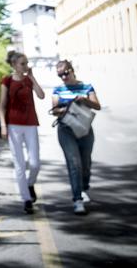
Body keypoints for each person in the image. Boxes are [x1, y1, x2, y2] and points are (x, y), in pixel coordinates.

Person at [51, 60, 101, 215]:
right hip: (66, 130)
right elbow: (54, 110)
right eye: (60, 75)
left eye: (66, 73)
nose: (64, 77)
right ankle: (77, 199)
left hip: (85, 129)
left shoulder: (86, 87)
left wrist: (84, 99)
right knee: (74, 163)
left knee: (85, 164)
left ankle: (84, 187)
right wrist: (68, 108)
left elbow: (97, 105)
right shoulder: (58, 89)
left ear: (72, 70)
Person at [0, 51, 45, 214]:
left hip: (31, 124)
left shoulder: (28, 80)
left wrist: (32, 78)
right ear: (14, 65)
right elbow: (2, 105)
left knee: (35, 163)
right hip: (13, 126)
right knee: (19, 164)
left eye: (26, 63)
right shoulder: (7, 80)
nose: (26, 66)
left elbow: (41, 95)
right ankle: (26, 199)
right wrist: (4, 126)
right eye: (22, 63)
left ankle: (30, 184)